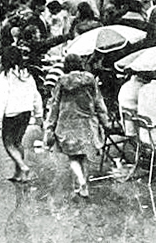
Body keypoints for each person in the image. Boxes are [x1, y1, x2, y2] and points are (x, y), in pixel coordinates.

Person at [43, 54, 110, 198]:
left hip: (66, 125)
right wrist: (105, 122)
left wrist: (50, 126)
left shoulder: (61, 81)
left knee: (73, 157)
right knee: (85, 155)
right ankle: (84, 183)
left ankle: (80, 181)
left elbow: (55, 106)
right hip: (87, 124)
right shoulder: (90, 79)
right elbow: (99, 102)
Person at [0, 46, 43, 182]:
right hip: (26, 112)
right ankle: (18, 173)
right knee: (18, 142)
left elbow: (2, 97)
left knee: (8, 143)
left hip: (11, 112)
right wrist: (39, 113)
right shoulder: (28, 74)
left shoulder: (5, 76)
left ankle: (22, 166)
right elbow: (35, 94)